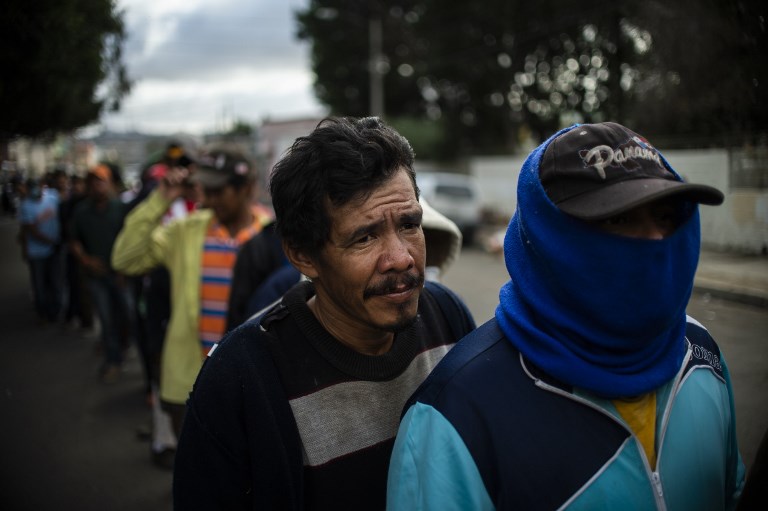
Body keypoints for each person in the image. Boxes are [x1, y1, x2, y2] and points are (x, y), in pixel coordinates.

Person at [387, 122, 746, 510]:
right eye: (619, 219)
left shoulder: (701, 354)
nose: (656, 242)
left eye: (665, 216)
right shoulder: (456, 416)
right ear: (548, 239)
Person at [172, 117, 476, 510]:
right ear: (302, 254)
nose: (401, 258)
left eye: (409, 224)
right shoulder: (240, 379)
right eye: (363, 237)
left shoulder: (447, 317)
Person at [111, 146, 271, 440]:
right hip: (191, 376)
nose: (207, 199)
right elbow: (125, 259)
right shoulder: (184, 231)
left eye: (218, 191)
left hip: (255, 379)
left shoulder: (273, 235)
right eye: (205, 189)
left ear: (247, 188)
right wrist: (160, 200)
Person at [71, 165, 132, 383]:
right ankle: (113, 360)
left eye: (102, 181)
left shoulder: (120, 209)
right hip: (96, 276)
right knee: (106, 319)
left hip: (120, 275)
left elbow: (131, 240)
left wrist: (125, 270)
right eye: (93, 182)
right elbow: (74, 241)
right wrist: (86, 260)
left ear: (109, 184)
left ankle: (124, 348)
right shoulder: (81, 211)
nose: (98, 186)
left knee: (128, 315)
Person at [18, 177, 62, 323]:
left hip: (54, 250)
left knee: (55, 282)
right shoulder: (26, 206)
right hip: (37, 252)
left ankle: (54, 312)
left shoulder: (53, 196)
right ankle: (42, 313)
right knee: (39, 285)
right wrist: (52, 242)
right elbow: (32, 231)